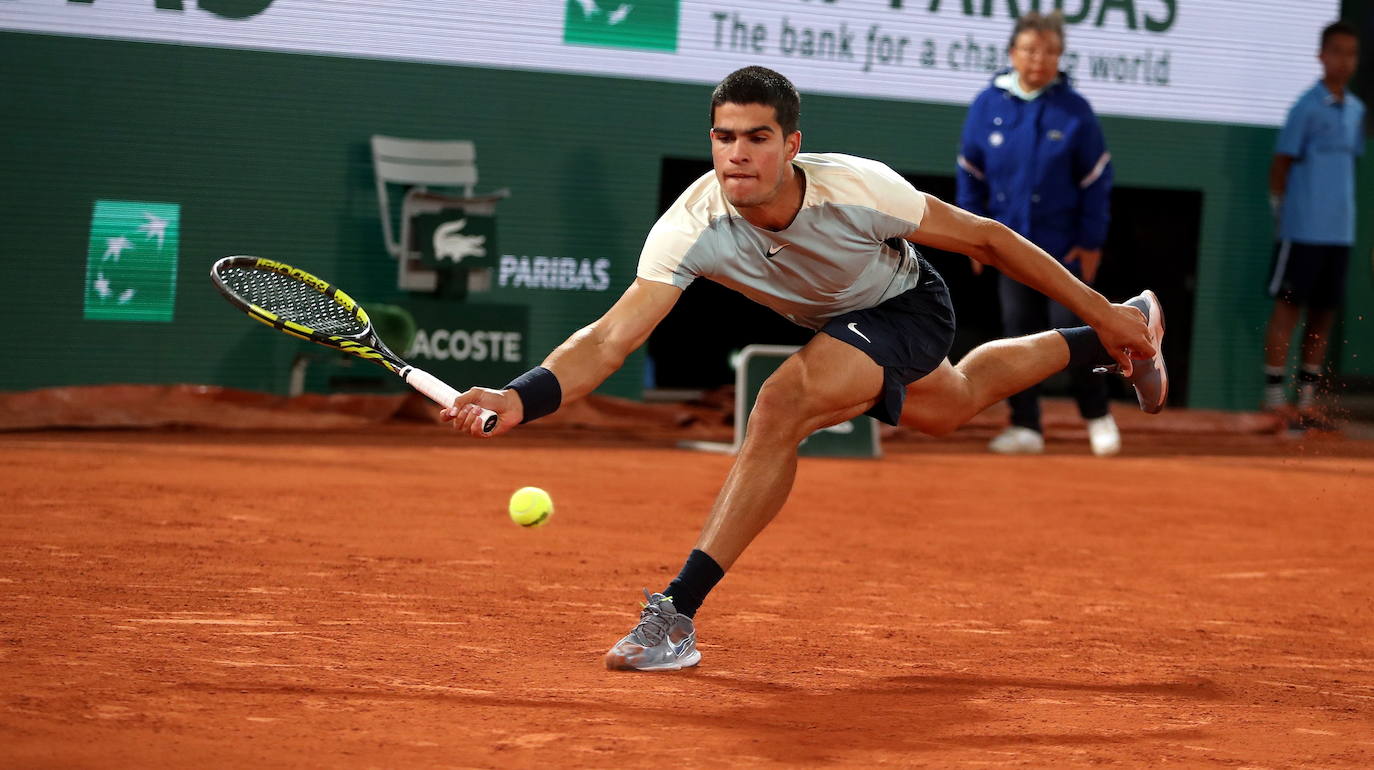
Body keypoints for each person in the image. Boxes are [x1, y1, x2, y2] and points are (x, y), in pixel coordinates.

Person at [442, 66, 1168, 672]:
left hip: (909, 305)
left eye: (757, 137)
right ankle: (1113, 339)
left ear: (791, 144)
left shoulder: (856, 186)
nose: (738, 154)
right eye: (724, 137)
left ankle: (676, 616)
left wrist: (1098, 302)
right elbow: (608, 342)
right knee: (954, 405)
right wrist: (519, 396)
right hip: (843, 325)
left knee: (780, 403)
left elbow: (987, 239)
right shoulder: (692, 225)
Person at [956, 11, 1121, 456]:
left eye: (1050, 51)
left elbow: (1096, 181)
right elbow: (970, 176)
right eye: (1030, 49)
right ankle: (1025, 425)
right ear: (1012, 53)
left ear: (1060, 57)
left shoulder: (1075, 110)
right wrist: (972, 236)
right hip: (1009, 247)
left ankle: (1097, 418)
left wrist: (1090, 240)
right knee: (1017, 334)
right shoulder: (987, 104)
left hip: (1064, 246)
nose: (1039, 59)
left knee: (1074, 331)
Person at [1262, 20, 1363, 432]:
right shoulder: (1304, 107)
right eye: (1336, 51)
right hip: (1301, 231)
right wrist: (1282, 216)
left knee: (1323, 316)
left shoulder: (1356, 110)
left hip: (1339, 233)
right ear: (1321, 56)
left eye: (1351, 54)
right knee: (1288, 310)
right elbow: (1280, 166)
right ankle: (1272, 402)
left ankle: (1304, 404)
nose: (1344, 61)